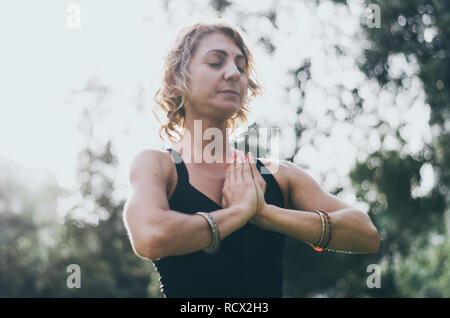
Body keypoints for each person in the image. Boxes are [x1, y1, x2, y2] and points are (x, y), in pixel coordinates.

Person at [123, 20, 380, 298]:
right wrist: (238, 213)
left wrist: (267, 214)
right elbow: (151, 236)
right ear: (178, 78)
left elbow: (366, 233)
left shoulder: (279, 175)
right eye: (215, 62)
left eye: (241, 67)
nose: (233, 73)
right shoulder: (158, 167)